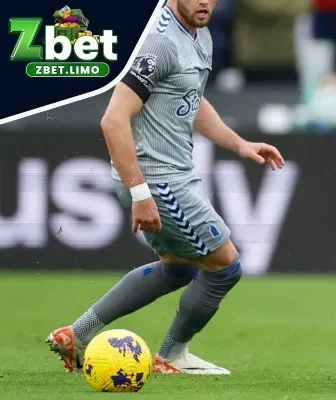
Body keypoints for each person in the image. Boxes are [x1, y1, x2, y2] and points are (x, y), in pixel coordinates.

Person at [45, 0, 285, 375]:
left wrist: (239, 144)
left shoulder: (199, 33)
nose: (205, 2)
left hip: (166, 179)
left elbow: (190, 96)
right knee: (225, 267)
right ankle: (172, 355)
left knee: (180, 267)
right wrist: (141, 194)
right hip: (160, 181)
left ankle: (76, 334)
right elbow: (113, 120)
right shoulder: (158, 41)